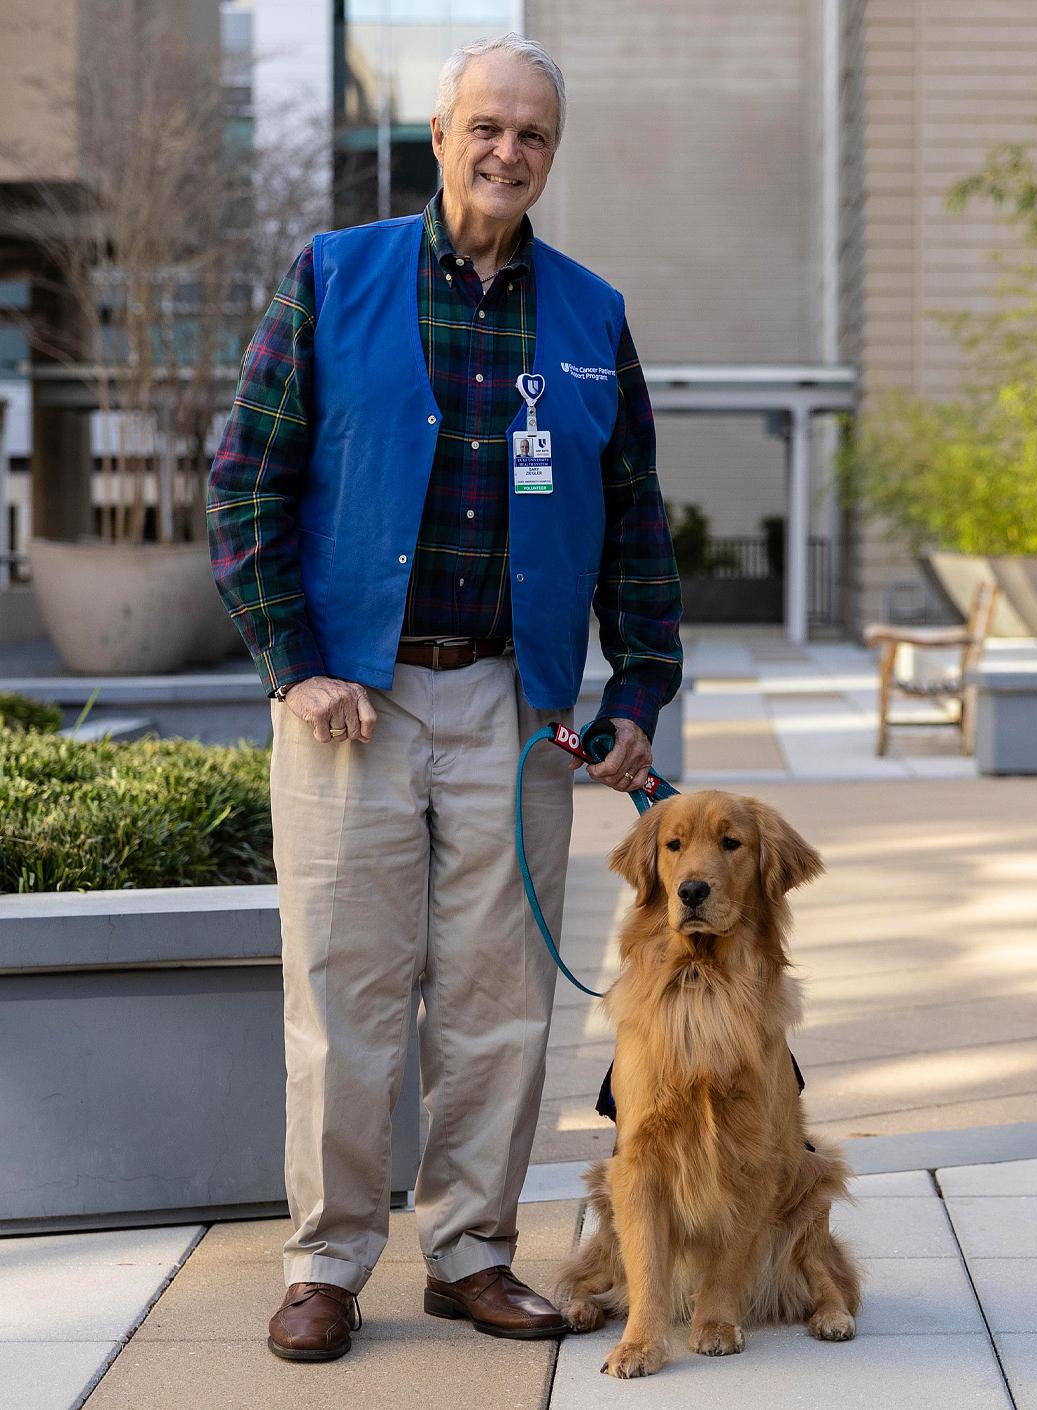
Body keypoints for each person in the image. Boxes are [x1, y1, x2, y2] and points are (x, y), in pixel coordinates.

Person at [206, 32, 682, 1363]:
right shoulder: (331, 276)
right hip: (346, 700)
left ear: (549, 154)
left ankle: (470, 1250)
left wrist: (639, 679)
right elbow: (243, 482)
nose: (506, 151)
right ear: (437, 132)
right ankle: (328, 1261)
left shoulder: (589, 315)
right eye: (486, 126)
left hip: (512, 702)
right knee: (343, 990)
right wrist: (293, 657)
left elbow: (637, 517)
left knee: (495, 996)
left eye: (531, 134)